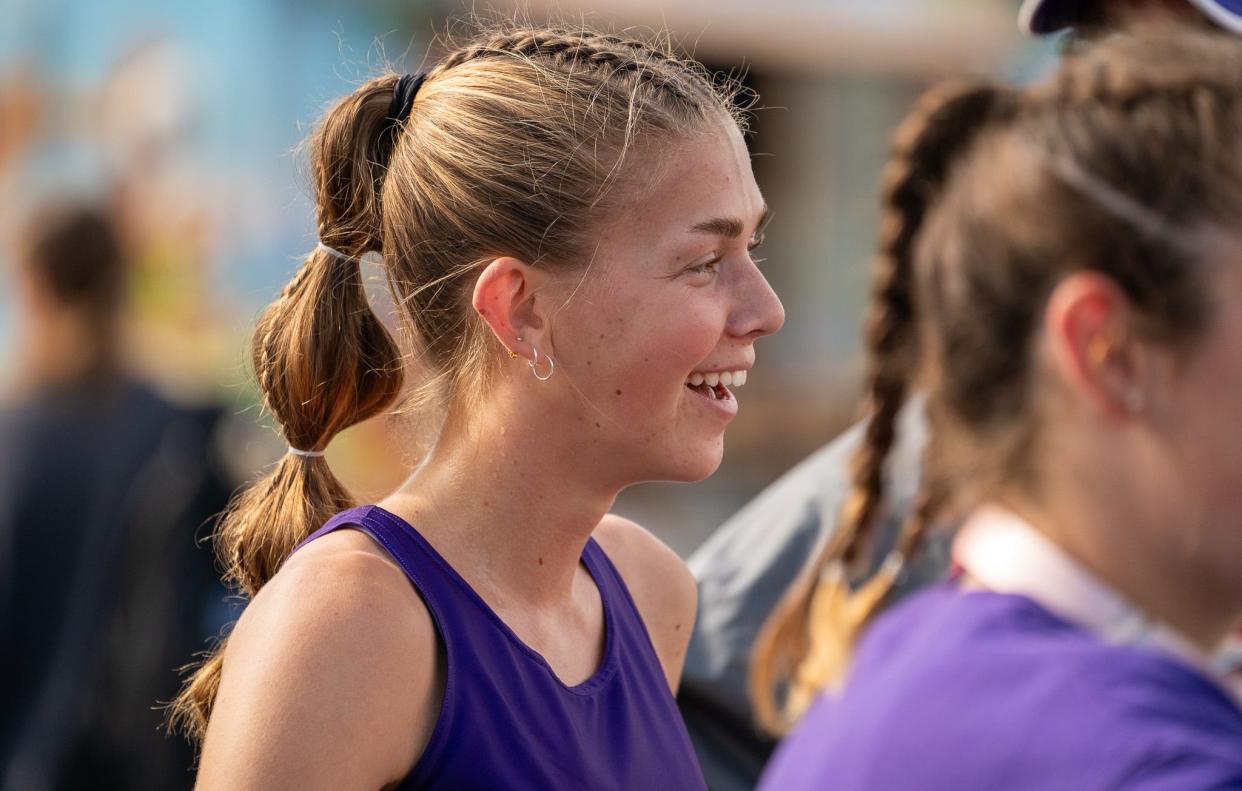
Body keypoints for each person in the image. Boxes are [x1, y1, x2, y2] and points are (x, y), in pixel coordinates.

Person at [170, 23, 784, 790]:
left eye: (751, 250)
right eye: (703, 263)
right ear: (519, 308)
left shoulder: (648, 589)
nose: (766, 309)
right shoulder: (349, 624)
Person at [677, 2, 1242, 786]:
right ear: (1108, 350)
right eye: (1111, 51)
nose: (1109, 101)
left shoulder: (906, 676)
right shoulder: (1145, 754)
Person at [0, 201, 232, 790]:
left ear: (34, 287)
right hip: (159, 758)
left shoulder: (17, 438)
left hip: (30, 759)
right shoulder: (185, 425)